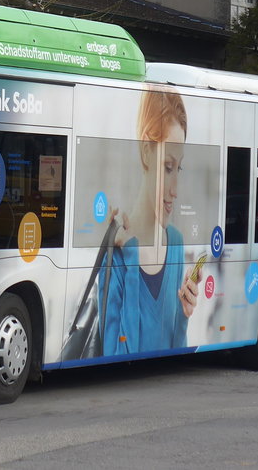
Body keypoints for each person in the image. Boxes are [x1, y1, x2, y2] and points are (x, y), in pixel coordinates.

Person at [64, 87, 199, 359]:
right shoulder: (120, 248)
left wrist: (184, 315)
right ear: (147, 154)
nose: (175, 189)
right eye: (168, 167)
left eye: (179, 168)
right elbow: (119, 353)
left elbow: (174, 354)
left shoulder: (175, 243)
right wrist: (132, 258)